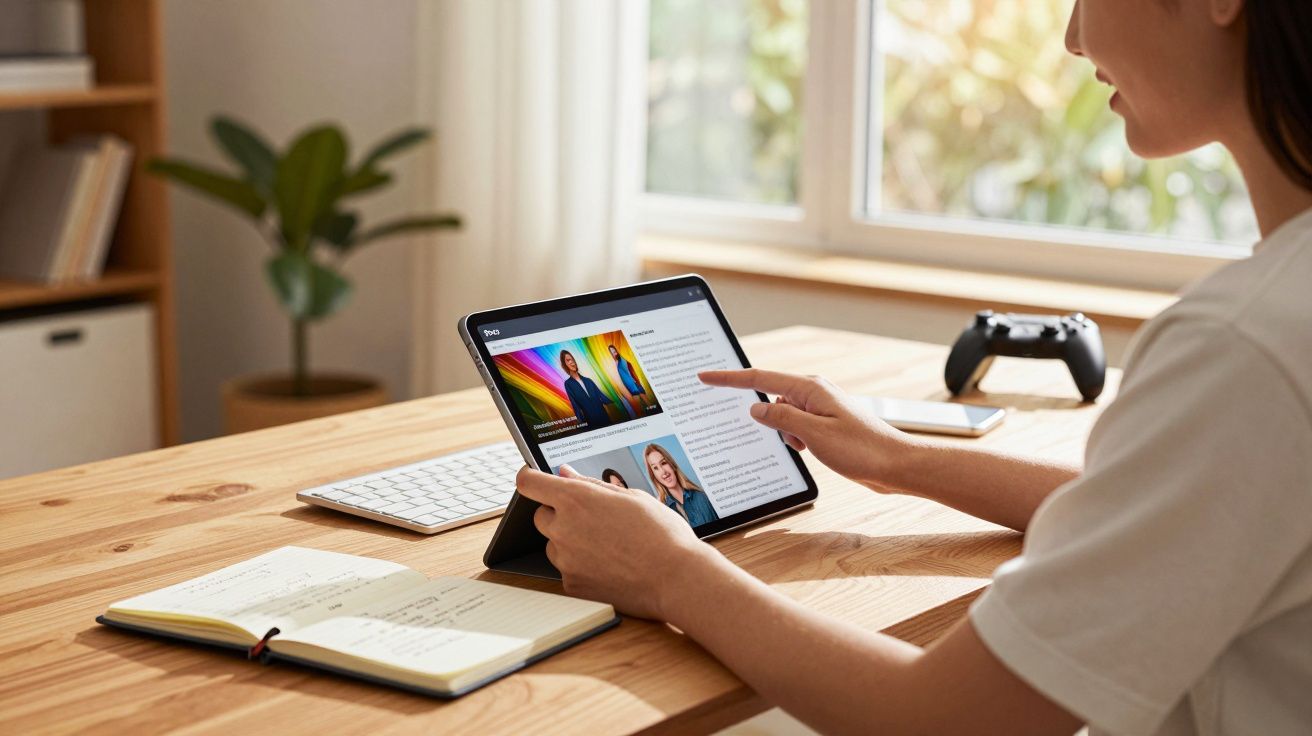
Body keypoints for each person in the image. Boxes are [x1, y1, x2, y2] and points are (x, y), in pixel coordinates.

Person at [517, 2, 1312, 734]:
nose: (1073, 38)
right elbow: (1167, 516)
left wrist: (671, 573)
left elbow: (940, 719)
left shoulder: (1243, 345)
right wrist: (900, 459)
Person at [643, 443, 719, 527]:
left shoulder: (701, 496)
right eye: (655, 468)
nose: (663, 471)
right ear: (653, 475)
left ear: (672, 464)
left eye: (664, 463)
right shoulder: (660, 510)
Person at [559, 349, 613, 431]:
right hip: (591, 423)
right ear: (564, 364)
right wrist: (582, 423)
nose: (572, 362)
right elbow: (575, 406)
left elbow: (602, 396)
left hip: (604, 418)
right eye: (568, 360)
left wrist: (615, 401)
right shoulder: (568, 384)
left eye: (572, 359)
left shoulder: (588, 380)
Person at [610, 344, 655, 411]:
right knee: (638, 404)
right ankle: (649, 413)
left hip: (633, 383)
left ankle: (654, 411)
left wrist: (634, 379)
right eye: (611, 351)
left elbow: (628, 369)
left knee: (645, 399)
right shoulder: (615, 362)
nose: (613, 352)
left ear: (616, 350)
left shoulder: (622, 359)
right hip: (628, 386)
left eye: (614, 350)